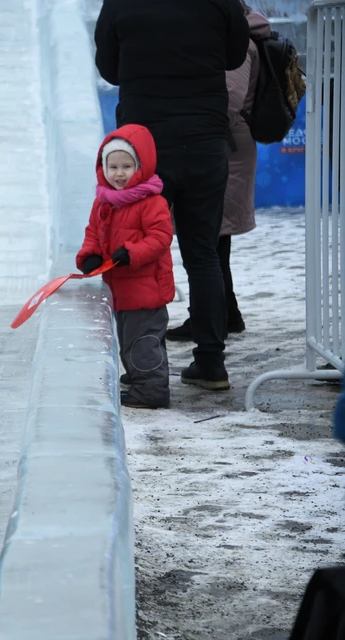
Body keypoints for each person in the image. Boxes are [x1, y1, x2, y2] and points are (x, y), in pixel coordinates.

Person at [95, 0, 250, 391]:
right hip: (205, 141)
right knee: (204, 253)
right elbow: (234, 56)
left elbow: (109, 68)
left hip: (143, 148)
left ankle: (148, 367)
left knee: (142, 250)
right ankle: (211, 362)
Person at [167, 3, 271, 342]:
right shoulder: (235, 33)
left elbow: (228, 97)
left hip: (225, 145)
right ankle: (226, 313)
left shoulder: (236, 40)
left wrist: (199, 133)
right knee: (212, 239)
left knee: (207, 239)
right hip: (225, 143)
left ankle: (212, 317)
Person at [77, 125, 175, 409]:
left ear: (141, 167)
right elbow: (93, 232)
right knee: (130, 340)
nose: (119, 174)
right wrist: (89, 255)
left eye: (127, 166)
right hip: (121, 288)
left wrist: (131, 253)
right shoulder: (104, 201)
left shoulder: (151, 202)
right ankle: (141, 378)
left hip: (146, 289)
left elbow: (160, 238)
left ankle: (152, 390)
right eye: (113, 166)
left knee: (143, 342)